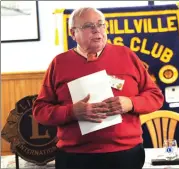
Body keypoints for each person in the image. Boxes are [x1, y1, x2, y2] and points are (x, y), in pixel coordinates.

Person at [32, 7, 164, 169]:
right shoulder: (59, 63)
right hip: (75, 157)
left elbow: (155, 96)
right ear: (73, 33)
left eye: (101, 24)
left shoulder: (126, 55)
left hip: (126, 154)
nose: (97, 30)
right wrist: (72, 112)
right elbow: (40, 111)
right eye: (88, 26)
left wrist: (130, 103)